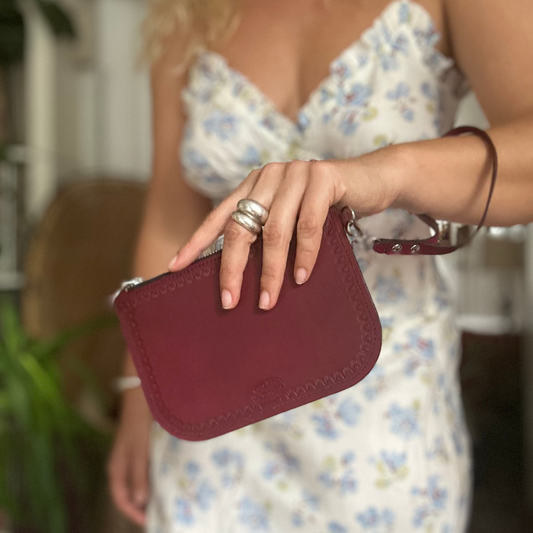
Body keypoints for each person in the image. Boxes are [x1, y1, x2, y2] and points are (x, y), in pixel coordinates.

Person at [107, 0, 533, 531]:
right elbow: (173, 220)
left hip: (380, 412)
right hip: (215, 406)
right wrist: (139, 393)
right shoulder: (185, 14)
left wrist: (386, 172)